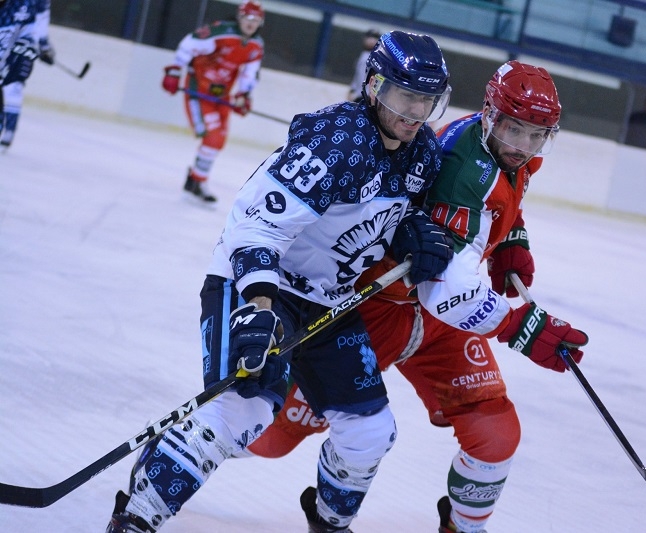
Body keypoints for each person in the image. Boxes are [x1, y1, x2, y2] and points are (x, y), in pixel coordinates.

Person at [106, 30, 454, 533]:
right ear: (374, 86)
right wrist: (262, 306)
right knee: (242, 412)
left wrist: (411, 232)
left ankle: (330, 523)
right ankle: (137, 516)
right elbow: (255, 225)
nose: (415, 113)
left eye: (427, 101)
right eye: (405, 97)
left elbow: (385, 212)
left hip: (327, 300)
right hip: (256, 280)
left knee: (371, 432)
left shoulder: (423, 154)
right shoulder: (336, 142)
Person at [249, 61, 590, 533]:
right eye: (515, 130)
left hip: (439, 328)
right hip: (375, 314)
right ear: (490, 115)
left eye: (537, 135)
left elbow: (497, 206)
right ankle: (195, 443)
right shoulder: (460, 169)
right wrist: (521, 328)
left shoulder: (509, 153)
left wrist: (510, 240)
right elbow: (445, 290)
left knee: (495, 432)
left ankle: (459, 527)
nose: (523, 146)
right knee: (267, 438)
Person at [161, 0, 266, 204]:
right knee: (213, 137)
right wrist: (175, 70)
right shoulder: (221, 32)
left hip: (222, 96)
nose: (251, 23)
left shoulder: (256, 45)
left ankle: (195, 181)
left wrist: (244, 95)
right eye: (247, 18)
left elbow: (250, 73)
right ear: (239, 17)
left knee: (219, 141)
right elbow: (189, 44)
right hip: (198, 90)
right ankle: (197, 182)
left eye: (256, 19)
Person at [0, 0, 54, 151]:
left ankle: (9, 132)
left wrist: (37, 46)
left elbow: (37, 22)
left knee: (14, 86)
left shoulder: (24, 4)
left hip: (7, 58)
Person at [347, 28, 381, 101]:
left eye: (375, 38)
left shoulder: (376, 59)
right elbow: (358, 76)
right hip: (359, 96)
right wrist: (352, 90)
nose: (372, 40)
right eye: (370, 37)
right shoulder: (363, 56)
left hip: (365, 97)